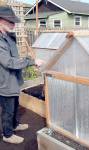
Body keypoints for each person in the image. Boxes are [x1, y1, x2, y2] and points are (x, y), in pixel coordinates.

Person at [0, 6, 44, 144]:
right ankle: (7, 134)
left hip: (13, 80)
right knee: (8, 110)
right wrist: (30, 62)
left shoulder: (8, 36)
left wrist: (26, 60)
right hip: (5, 82)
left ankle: (14, 125)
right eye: (10, 22)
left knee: (15, 106)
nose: (13, 25)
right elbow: (8, 62)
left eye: (13, 22)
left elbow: (15, 57)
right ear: (1, 21)